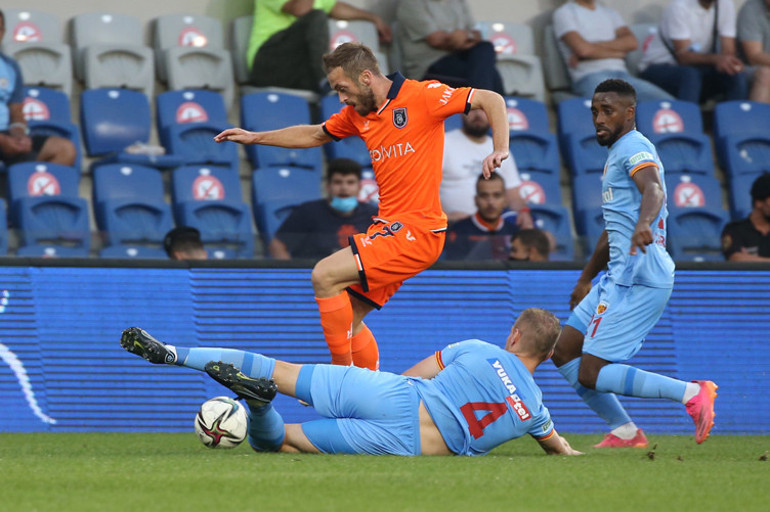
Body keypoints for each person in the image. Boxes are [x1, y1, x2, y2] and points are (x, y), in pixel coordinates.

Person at [215, 42, 511, 371]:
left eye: (343, 89)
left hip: (417, 230)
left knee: (324, 275)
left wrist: (499, 148)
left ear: (366, 77)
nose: (341, 98)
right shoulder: (358, 115)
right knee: (350, 317)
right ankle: (370, 393)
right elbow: (315, 134)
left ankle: (338, 379)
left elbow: (490, 98)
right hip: (390, 230)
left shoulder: (423, 96)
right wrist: (256, 138)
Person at [119, 307, 581, 456]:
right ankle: (259, 407)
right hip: (405, 442)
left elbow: (417, 373)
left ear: (515, 336)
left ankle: (175, 354)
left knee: (280, 371)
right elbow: (558, 447)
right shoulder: (535, 411)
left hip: (394, 394)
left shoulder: (482, 349)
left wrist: (366, 391)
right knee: (279, 443)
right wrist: (569, 452)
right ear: (545, 352)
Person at [550, 79, 718, 448]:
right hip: (616, 275)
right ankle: (625, 431)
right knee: (563, 349)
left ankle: (692, 392)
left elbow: (654, 189)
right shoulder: (616, 154)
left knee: (593, 373)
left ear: (630, 113)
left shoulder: (636, 148)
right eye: (595, 111)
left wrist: (644, 223)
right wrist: (585, 279)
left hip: (642, 275)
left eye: (607, 110)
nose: (599, 118)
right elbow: (612, 230)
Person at [247, 0, 391, 93]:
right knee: (317, 16)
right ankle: (326, 80)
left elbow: (335, 7)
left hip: (296, 70)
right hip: (267, 64)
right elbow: (299, 9)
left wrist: (373, 18)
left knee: (352, 87)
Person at [552, 0, 673, 102]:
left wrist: (592, 48)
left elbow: (632, 43)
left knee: (671, 107)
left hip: (624, 77)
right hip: (590, 76)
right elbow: (583, 50)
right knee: (616, 114)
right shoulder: (565, 13)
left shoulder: (610, 13)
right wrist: (619, 52)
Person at [0, 10, 76, 168]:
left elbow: (16, 110)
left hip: (6, 135)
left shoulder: (10, 66)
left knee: (64, 149)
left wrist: (19, 134)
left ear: (3, 32)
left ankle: (32, 191)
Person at [637, 0, 750, 104]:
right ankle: (688, 121)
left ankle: (733, 122)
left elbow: (728, 49)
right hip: (658, 67)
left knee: (735, 74)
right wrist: (717, 59)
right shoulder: (679, 6)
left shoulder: (724, 4)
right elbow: (684, 57)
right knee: (690, 75)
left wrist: (729, 62)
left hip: (699, 67)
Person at [268, 158, 378, 260]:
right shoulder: (307, 212)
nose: (344, 188)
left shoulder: (372, 216)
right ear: (328, 186)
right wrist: (293, 277)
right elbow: (277, 245)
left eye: (350, 182)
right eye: (338, 182)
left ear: (359, 187)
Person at [442, 109, 533, 227]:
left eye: (484, 110)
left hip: (496, 225)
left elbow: (513, 194)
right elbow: (426, 190)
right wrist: (444, 215)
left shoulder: (500, 148)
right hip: (452, 225)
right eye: (473, 109)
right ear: (461, 113)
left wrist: (523, 212)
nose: (478, 115)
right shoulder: (444, 143)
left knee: (544, 238)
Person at [395, 0, 504, 94]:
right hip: (430, 68)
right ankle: (486, 106)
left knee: (485, 48)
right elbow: (435, 40)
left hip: (460, 59)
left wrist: (463, 36)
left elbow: (477, 35)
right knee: (488, 73)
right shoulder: (412, 3)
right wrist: (462, 38)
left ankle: (481, 105)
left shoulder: (458, 2)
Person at [444, 174, 518, 261]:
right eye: (484, 196)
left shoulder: (515, 233)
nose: (491, 202)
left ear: (505, 200)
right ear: (476, 200)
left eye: (496, 195)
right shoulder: (457, 232)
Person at [721, 172, 770, 261]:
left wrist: (752, 259)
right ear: (759, 202)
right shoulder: (735, 230)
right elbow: (736, 258)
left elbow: (745, 261)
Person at [737, 0, 770, 103]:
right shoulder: (751, 9)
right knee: (766, 74)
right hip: (748, 68)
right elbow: (754, 57)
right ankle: (757, 119)